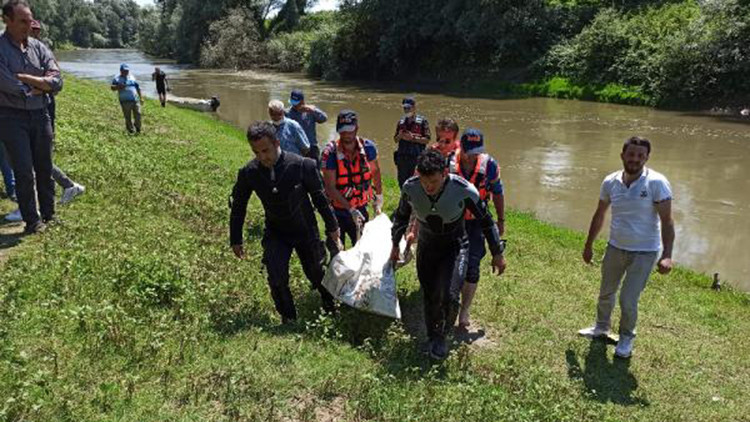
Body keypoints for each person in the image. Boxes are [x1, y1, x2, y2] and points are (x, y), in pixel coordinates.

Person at [390, 149, 506, 360]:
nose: (429, 187)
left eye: (434, 181)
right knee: (430, 294)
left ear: (445, 173)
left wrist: (497, 252)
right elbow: (401, 216)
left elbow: (486, 221)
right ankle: (432, 336)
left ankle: (442, 337)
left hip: (455, 246)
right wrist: (395, 245)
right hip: (427, 246)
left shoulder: (464, 190)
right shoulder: (410, 188)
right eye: (425, 181)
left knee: (450, 296)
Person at [230, 121, 341, 323]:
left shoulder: (302, 165)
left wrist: (332, 227)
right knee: (276, 276)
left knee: (316, 273)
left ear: (277, 143)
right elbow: (239, 206)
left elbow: (320, 199)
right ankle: (288, 318)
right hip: (276, 232)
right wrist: (235, 239)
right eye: (256, 152)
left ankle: (330, 306)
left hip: (305, 230)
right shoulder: (249, 172)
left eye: (265, 150)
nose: (262, 157)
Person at [578, 136, 675, 359]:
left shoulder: (657, 183)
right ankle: (601, 327)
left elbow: (667, 220)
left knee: (628, 300)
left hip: (644, 252)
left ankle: (626, 337)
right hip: (615, 247)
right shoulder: (610, 182)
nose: (635, 159)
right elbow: (600, 214)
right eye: (631, 154)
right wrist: (588, 244)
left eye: (641, 155)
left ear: (647, 158)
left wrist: (667, 255)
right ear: (622, 155)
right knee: (606, 292)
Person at [0, 0, 63, 233]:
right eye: (22, 21)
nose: (28, 26)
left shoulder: (39, 47)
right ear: (6, 20)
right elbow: (7, 84)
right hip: (10, 117)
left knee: (44, 167)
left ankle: (49, 215)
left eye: (30, 21)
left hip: (40, 114)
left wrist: (29, 80)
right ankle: (32, 222)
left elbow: (57, 80)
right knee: (24, 170)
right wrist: (41, 86)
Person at [448, 129, 505, 329]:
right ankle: (447, 304)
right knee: (449, 264)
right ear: (461, 148)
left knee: (473, 267)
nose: (473, 156)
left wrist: (501, 220)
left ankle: (464, 311)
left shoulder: (490, 166)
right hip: (451, 222)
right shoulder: (447, 163)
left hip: (477, 223)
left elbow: (498, 193)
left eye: (477, 151)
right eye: (469, 151)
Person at [30, 19, 85, 205]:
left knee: (37, 156)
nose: (33, 33)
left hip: (42, 108)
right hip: (26, 108)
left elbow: (56, 83)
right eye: (31, 30)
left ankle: (64, 187)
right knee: (29, 156)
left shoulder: (42, 52)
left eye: (35, 30)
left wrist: (37, 89)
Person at [321, 110, 383, 246]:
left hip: (360, 208)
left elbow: (375, 172)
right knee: (336, 251)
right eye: (343, 131)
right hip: (337, 211)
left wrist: (379, 197)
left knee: (364, 248)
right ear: (338, 130)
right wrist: (351, 209)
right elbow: (330, 187)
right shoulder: (330, 153)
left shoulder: (368, 148)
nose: (347, 134)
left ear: (357, 128)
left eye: (350, 130)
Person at [393, 96, 430, 188]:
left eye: (408, 108)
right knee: (402, 182)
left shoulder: (423, 121)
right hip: (402, 158)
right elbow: (395, 140)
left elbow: (427, 140)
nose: (406, 110)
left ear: (414, 107)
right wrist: (400, 136)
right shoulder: (401, 122)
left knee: (417, 183)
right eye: (405, 108)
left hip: (416, 157)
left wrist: (413, 138)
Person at [285, 89, 327, 164]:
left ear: (302, 101)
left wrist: (313, 111)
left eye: (296, 103)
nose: (294, 106)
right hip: (296, 148)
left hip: (312, 147)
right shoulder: (287, 113)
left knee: (314, 168)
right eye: (293, 103)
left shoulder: (310, 111)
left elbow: (324, 118)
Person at [111, 63, 143, 134]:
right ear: (121, 70)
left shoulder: (132, 77)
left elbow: (138, 87)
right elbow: (112, 88)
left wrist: (141, 97)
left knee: (138, 114)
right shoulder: (117, 78)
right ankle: (130, 130)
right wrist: (118, 87)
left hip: (135, 99)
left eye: (127, 70)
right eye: (124, 70)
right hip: (125, 101)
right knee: (127, 116)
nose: (126, 72)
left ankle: (138, 128)